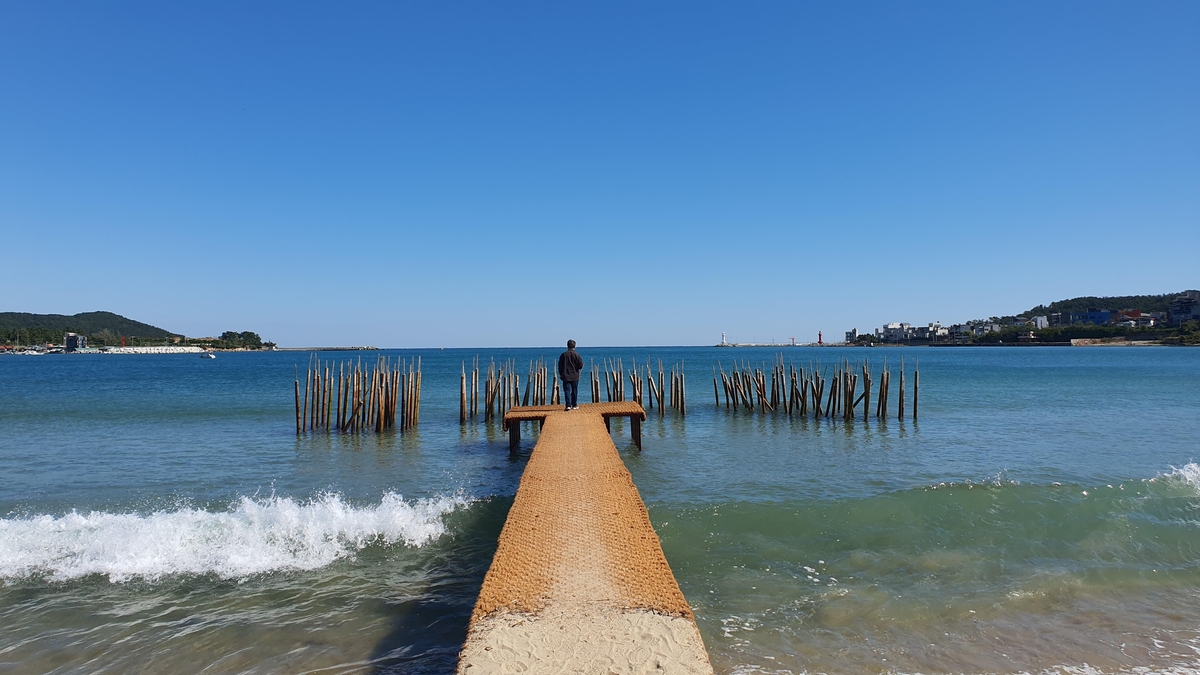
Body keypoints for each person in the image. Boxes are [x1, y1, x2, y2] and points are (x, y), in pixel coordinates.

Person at [558, 339, 583, 411]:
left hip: (566, 375)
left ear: (567, 346)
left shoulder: (564, 355)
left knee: (567, 390)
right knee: (574, 390)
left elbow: (560, 365)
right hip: (575, 375)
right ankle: (574, 405)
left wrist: (561, 373)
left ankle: (568, 405)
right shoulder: (577, 355)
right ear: (574, 346)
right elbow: (580, 365)